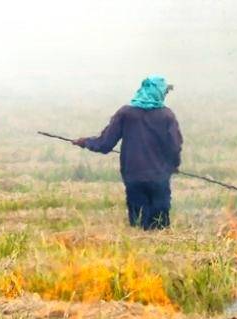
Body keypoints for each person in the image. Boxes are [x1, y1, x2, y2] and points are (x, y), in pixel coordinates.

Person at [74, 75, 183, 230]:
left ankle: (142, 247)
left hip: (134, 176)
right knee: (160, 225)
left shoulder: (126, 113)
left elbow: (105, 144)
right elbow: (174, 147)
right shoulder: (167, 115)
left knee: (139, 224)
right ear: (157, 92)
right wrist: (173, 165)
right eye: (164, 91)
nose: (165, 95)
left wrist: (86, 142)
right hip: (160, 177)